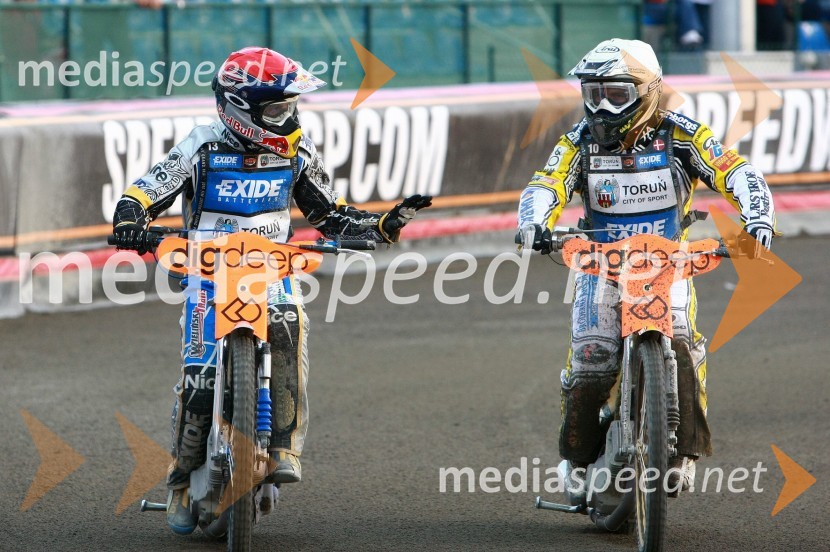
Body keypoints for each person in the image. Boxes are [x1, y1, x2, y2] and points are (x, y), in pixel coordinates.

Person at [110, 47, 432, 534]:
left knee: (290, 326)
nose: (290, 117)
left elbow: (332, 214)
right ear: (241, 110)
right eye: (278, 110)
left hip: (270, 269)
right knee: (198, 375)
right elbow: (144, 191)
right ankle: (180, 474)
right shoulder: (200, 145)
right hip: (206, 270)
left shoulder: (298, 151)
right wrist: (131, 220)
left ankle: (283, 446)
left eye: (291, 107)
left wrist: (383, 224)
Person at [517, 39, 775, 497]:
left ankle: (681, 451)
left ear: (648, 91)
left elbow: (736, 171)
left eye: (615, 95)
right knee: (591, 363)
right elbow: (547, 182)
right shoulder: (577, 141)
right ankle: (578, 456)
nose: (600, 108)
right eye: (592, 95)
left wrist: (757, 218)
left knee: (684, 350)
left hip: (667, 264)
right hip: (600, 265)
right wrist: (534, 223)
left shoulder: (683, 135)